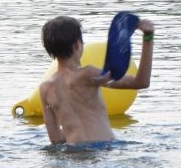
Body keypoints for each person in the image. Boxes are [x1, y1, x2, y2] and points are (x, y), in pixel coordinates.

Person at [38, 15, 155, 146]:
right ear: (77, 44)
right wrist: (148, 37)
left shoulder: (45, 89)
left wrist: (75, 132)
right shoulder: (88, 75)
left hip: (72, 154)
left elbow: (56, 139)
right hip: (102, 149)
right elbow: (141, 82)